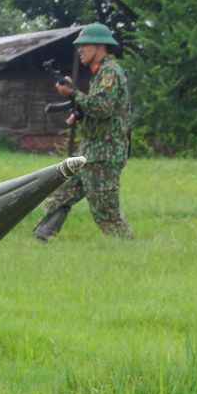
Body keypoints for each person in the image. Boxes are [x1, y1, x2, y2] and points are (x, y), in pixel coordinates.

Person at [33, 22, 132, 241]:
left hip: (104, 155)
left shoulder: (110, 73)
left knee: (106, 212)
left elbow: (102, 107)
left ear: (99, 46)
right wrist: (79, 113)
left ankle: (127, 248)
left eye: (84, 45)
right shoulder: (100, 74)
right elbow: (99, 108)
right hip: (90, 153)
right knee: (60, 195)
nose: (80, 50)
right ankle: (42, 237)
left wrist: (73, 93)